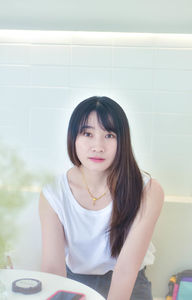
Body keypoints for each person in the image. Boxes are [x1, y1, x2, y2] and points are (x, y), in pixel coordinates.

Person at [39, 96, 164, 300]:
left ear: (122, 141)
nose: (97, 146)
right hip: (73, 284)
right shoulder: (53, 192)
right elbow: (53, 268)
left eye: (109, 135)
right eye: (87, 133)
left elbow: (125, 269)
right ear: (73, 137)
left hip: (130, 285)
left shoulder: (148, 190)